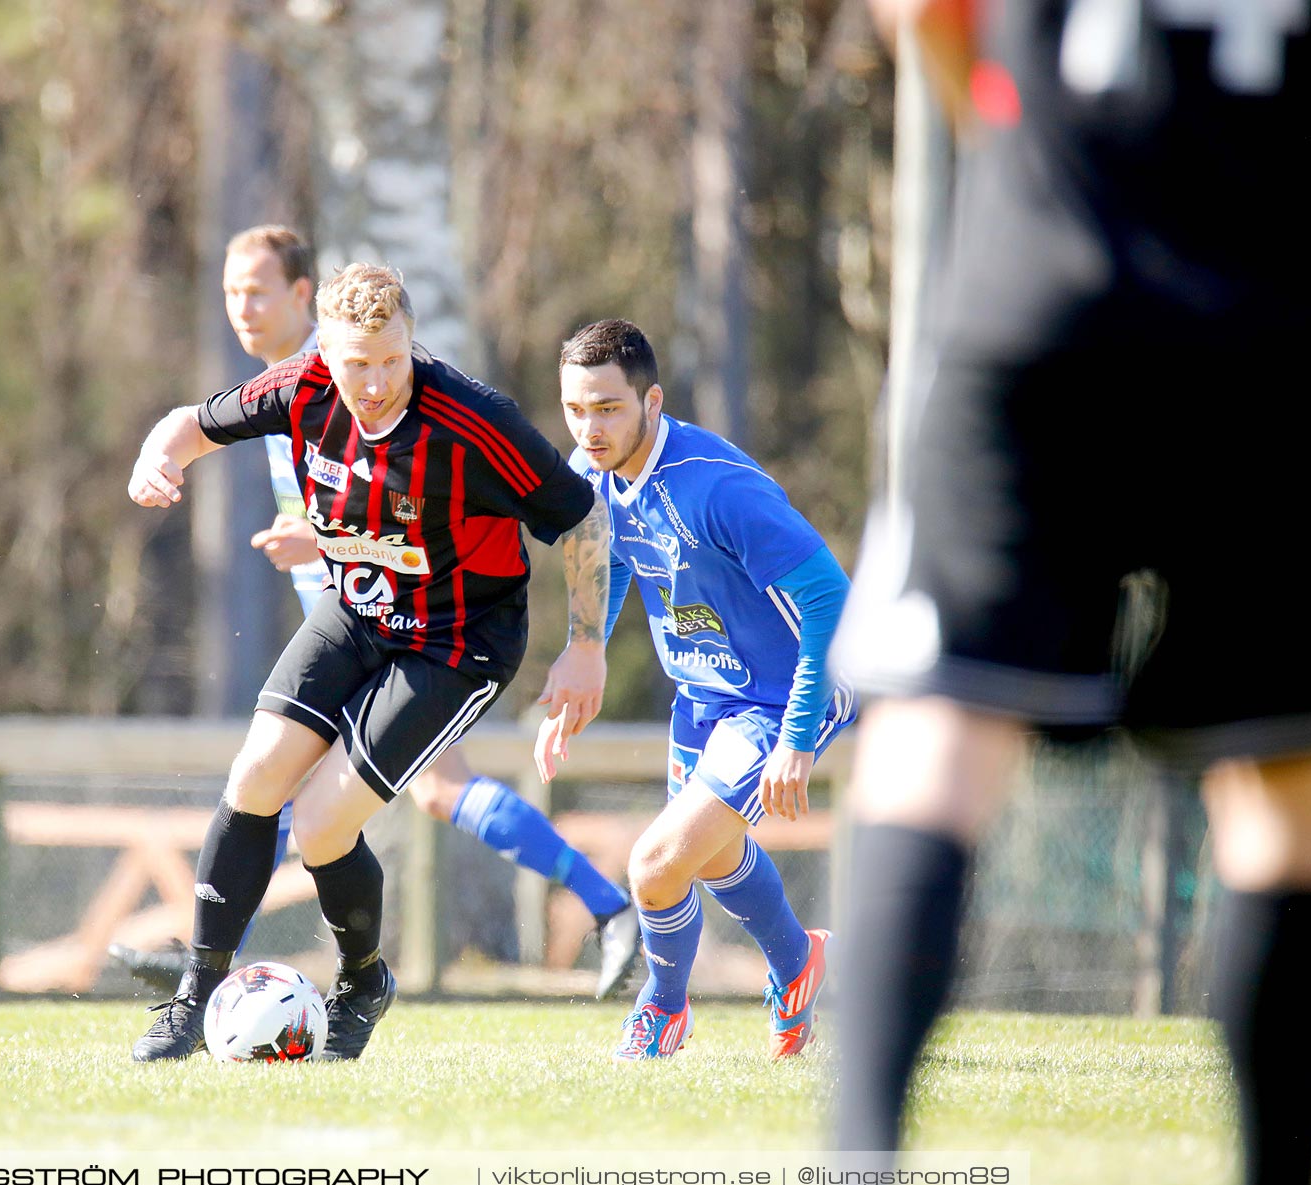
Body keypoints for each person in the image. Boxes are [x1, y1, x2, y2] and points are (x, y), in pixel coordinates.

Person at [830, 3, 1311, 1185]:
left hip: (1034, 295)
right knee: (1285, 779)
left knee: (934, 734)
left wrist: (1016, 155)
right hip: (1271, 325)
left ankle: (858, 1173)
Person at [112, 226, 641, 1001]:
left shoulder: (464, 418)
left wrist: (586, 647)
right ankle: (204, 979)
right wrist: (157, 458)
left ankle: (594, 909)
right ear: (328, 351)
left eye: (257, 290)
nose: (377, 380)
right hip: (354, 608)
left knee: (347, 809)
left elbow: (581, 518)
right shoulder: (292, 386)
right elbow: (191, 424)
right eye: (231, 292)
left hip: (452, 635)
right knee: (270, 779)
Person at [538, 319, 856, 1061]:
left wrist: (797, 738)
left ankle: (662, 1012)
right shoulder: (592, 474)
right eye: (576, 408)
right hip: (705, 695)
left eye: (609, 408)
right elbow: (606, 552)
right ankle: (797, 960)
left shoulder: (716, 488)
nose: (589, 428)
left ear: (652, 401)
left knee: (654, 864)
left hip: (783, 695)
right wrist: (588, 651)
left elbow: (832, 604)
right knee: (709, 859)